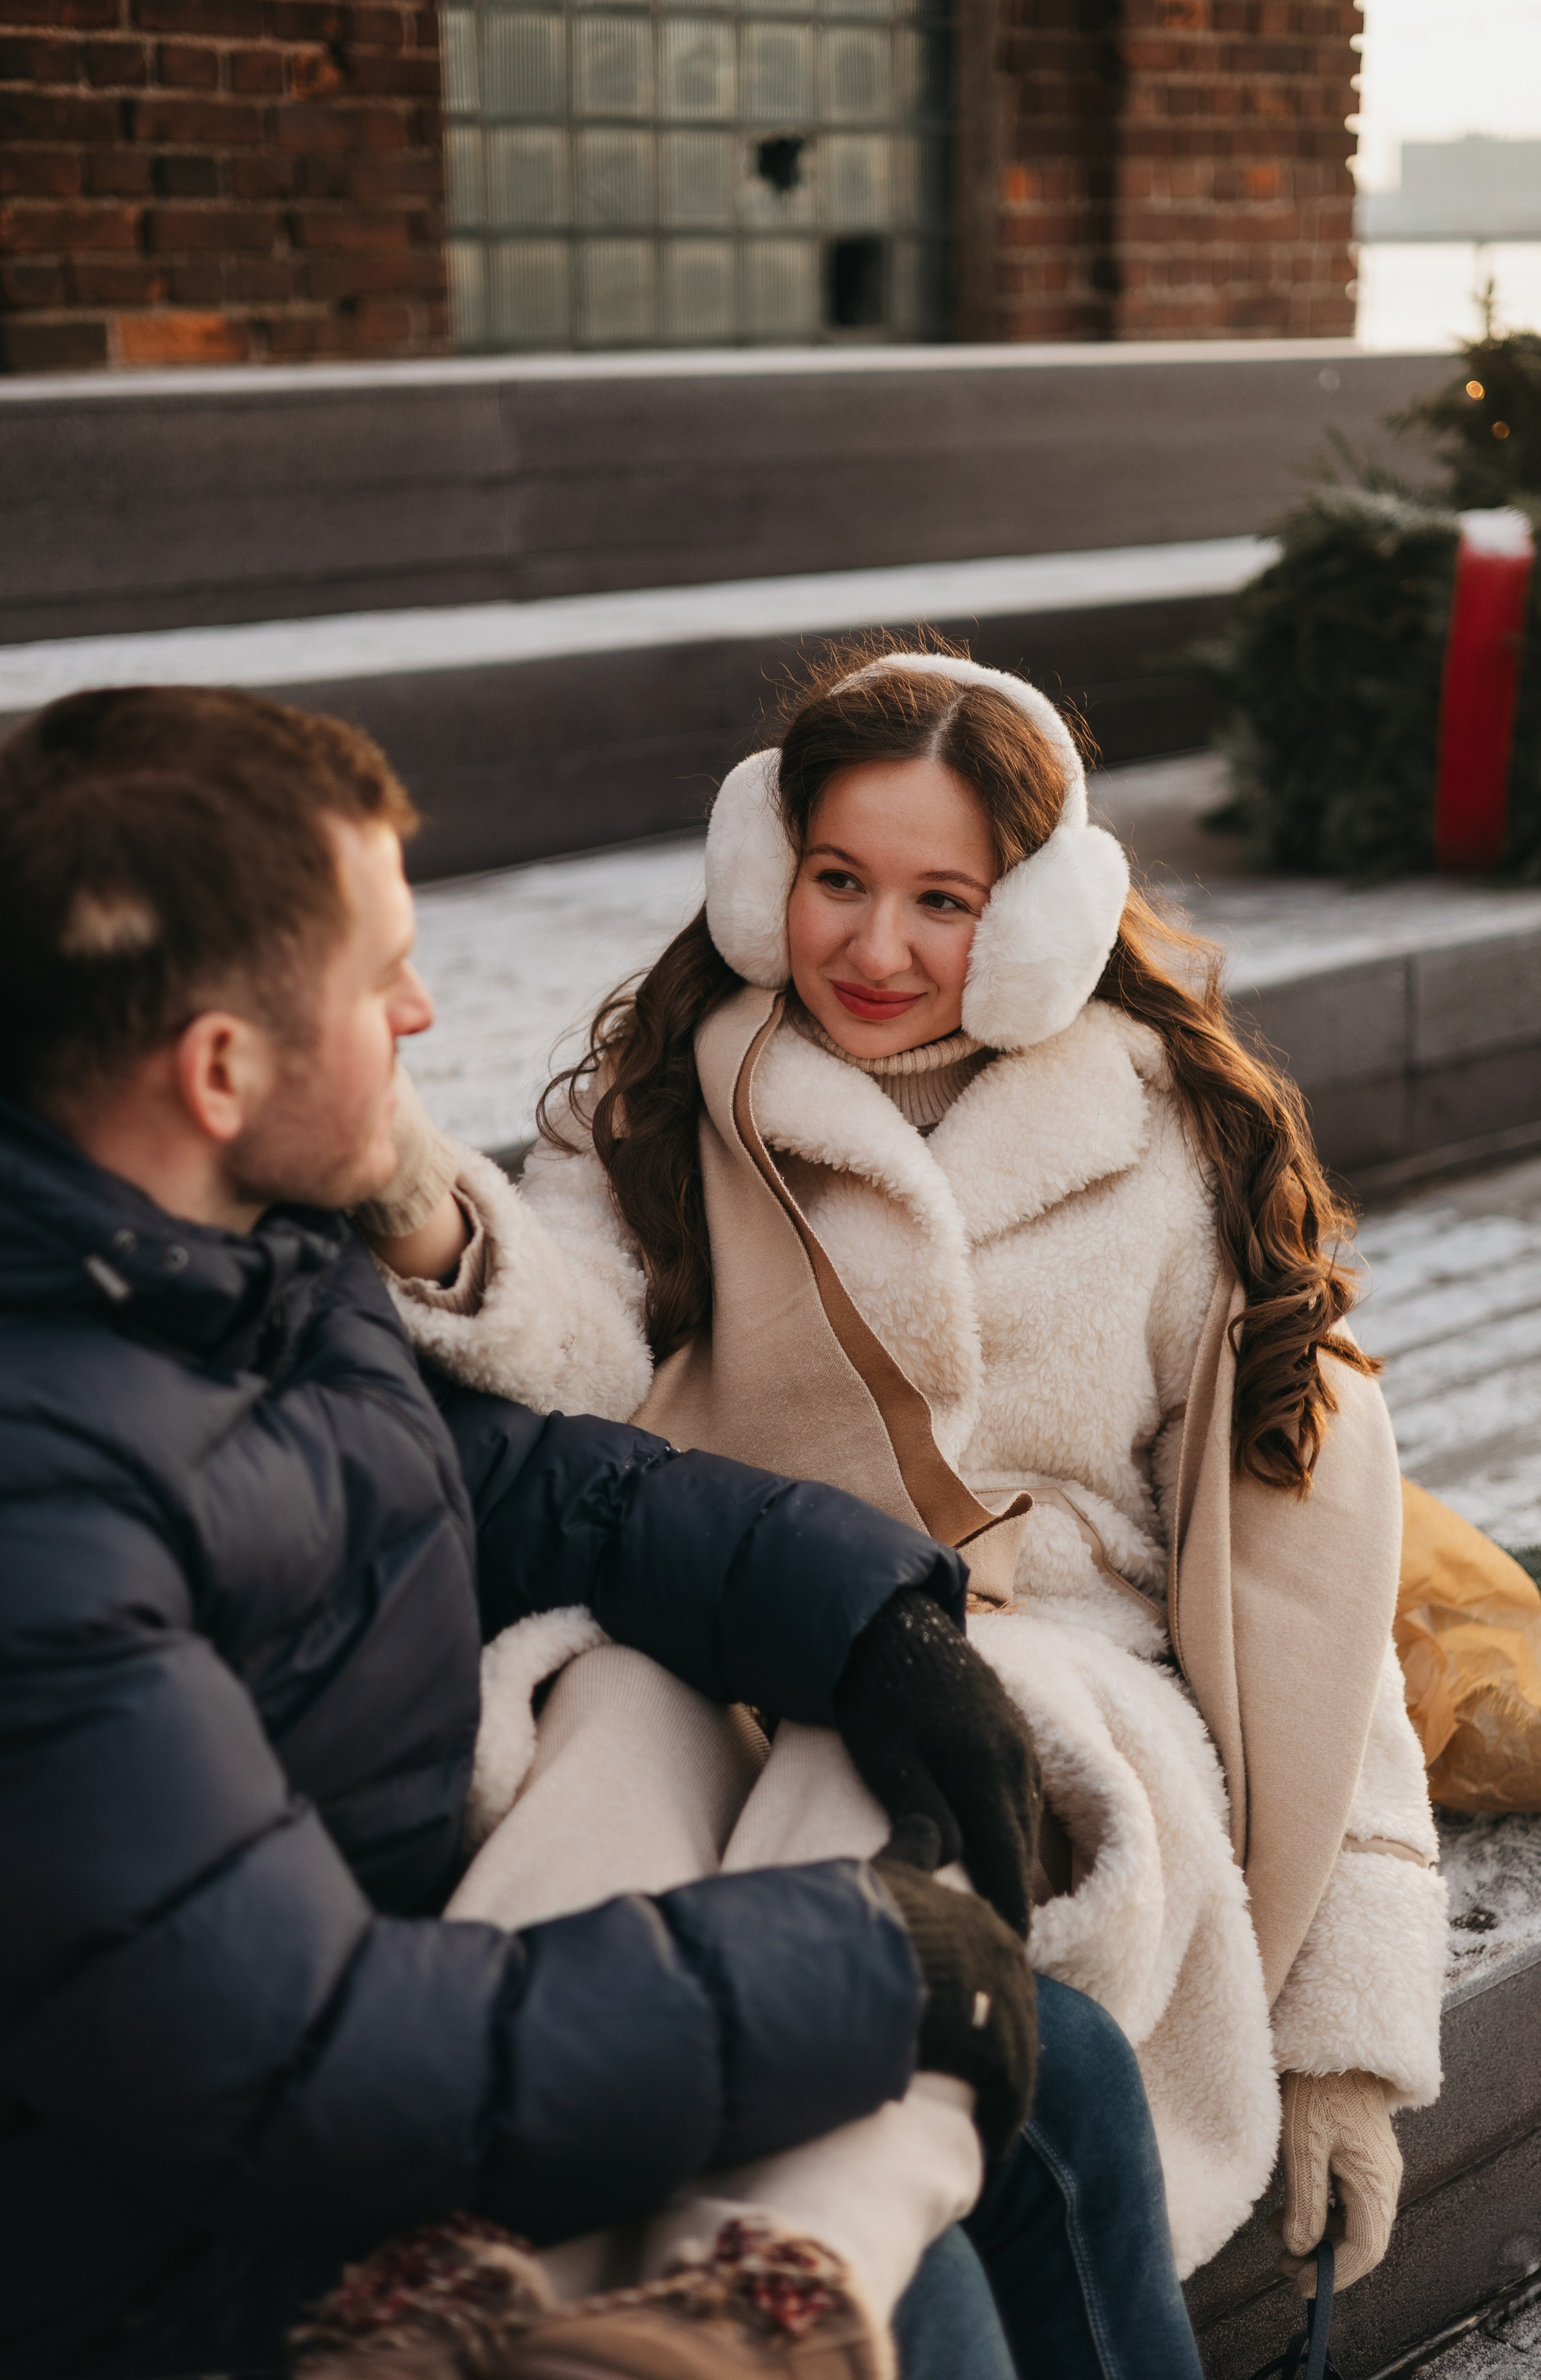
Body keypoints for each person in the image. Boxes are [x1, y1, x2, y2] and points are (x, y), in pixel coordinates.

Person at [386, 639, 1448, 2338]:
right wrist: (433, 1223)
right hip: (726, 1621)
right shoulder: (672, 1098)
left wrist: (1351, 2031)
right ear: (762, 872)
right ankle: (441, 2247)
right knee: (615, 1724)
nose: (876, 949)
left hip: (1050, 1687)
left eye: (943, 900)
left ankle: (758, 2284)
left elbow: (1308, 1586)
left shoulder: (1181, 1147)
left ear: (1037, 920)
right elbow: (573, 1349)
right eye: (835, 880)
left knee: (871, 1728)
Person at [0, 683, 1049, 2380]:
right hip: (208, 2273)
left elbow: (476, 1474)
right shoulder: (39, 1509)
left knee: (1024, 2049)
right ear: (216, 1068)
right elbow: (299, 2078)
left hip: (423, 2026)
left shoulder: (224, 1230)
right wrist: (872, 1964)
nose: (421, 1008)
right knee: (944, 2212)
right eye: (376, 977)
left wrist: (869, 1618)